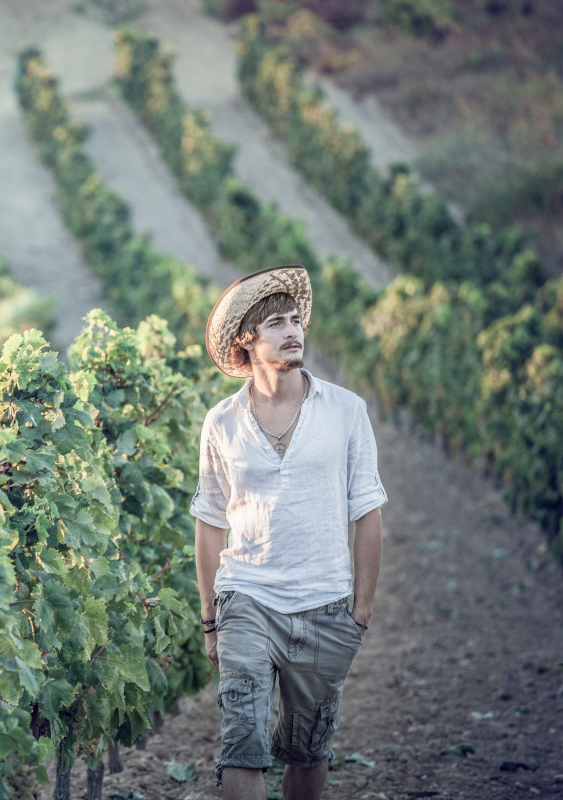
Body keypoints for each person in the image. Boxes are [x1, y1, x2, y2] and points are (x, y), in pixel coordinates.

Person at [190, 265, 386, 800]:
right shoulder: (221, 422)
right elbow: (210, 523)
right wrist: (211, 618)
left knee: (308, 751)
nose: (293, 330)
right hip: (246, 600)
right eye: (276, 323)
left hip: (325, 606)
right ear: (246, 341)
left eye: (296, 319)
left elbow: (367, 513)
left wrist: (360, 614)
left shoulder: (347, 410)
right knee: (242, 745)